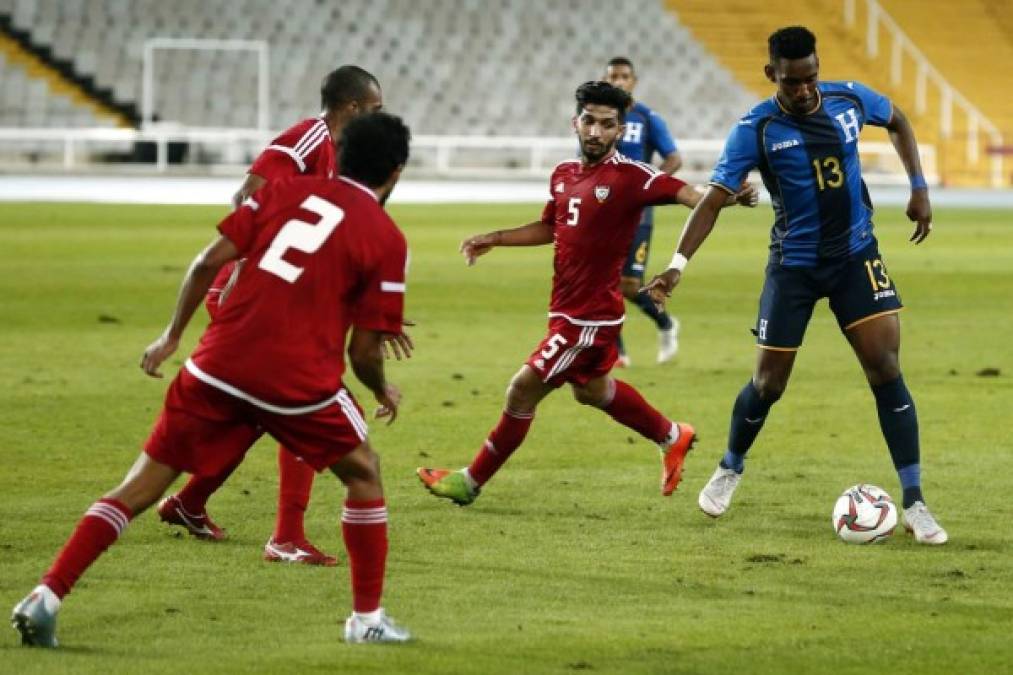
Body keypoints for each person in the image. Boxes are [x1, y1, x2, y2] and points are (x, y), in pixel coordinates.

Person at [12, 112, 415, 647]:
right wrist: (379, 386)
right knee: (363, 471)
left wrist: (172, 335)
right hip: (296, 384)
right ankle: (366, 620)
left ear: (337, 155)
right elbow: (363, 351)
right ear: (396, 171)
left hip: (215, 363)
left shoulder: (285, 192)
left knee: (138, 488)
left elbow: (206, 262)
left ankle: (47, 595)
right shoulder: (386, 237)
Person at [646, 26, 947, 544]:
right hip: (795, 267)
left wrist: (919, 186)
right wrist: (676, 265)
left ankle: (916, 503)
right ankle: (730, 467)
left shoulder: (849, 99)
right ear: (772, 76)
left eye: (811, 78)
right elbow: (714, 198)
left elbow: (897, 120)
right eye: (793, 82)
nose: (805, 90)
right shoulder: (756, 130)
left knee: (887, 368)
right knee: (769, 384)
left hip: (856, 256)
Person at [417, 81, 755, 506]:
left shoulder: (632, 177)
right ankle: (673, 435)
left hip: (587, 319)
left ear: (620, 131)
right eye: (590, 121)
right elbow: (550, 226)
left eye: (607, 125)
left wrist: (727, 196)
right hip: (571, 311)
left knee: (522, 390)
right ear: (575, 122)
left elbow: (692, 196)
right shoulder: (563, 174)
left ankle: (470, 481)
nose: (596, 132)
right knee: (592, 390)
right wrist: (495, 238)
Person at [156, 65, 396, 568]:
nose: (378, 119)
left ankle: (190, 501)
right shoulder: (306, 137)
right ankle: (285, 535)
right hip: (252, 291)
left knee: (260, 414)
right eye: (374, 110)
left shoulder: (337, 154)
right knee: (307, 398)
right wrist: (249, 269)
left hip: (277, 292)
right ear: (352, 107)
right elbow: (248, 195)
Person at [603, 56, 683, 367]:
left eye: (623, 76)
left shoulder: (647, 118)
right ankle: (618, 353)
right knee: (603, 282)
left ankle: (666, 324)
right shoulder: (597, 121)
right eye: (612, 76)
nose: (618, 82)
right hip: (603, 212)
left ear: (633, 81)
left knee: (629, 286)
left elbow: (674, 158)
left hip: (638, 214)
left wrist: (650, 186)